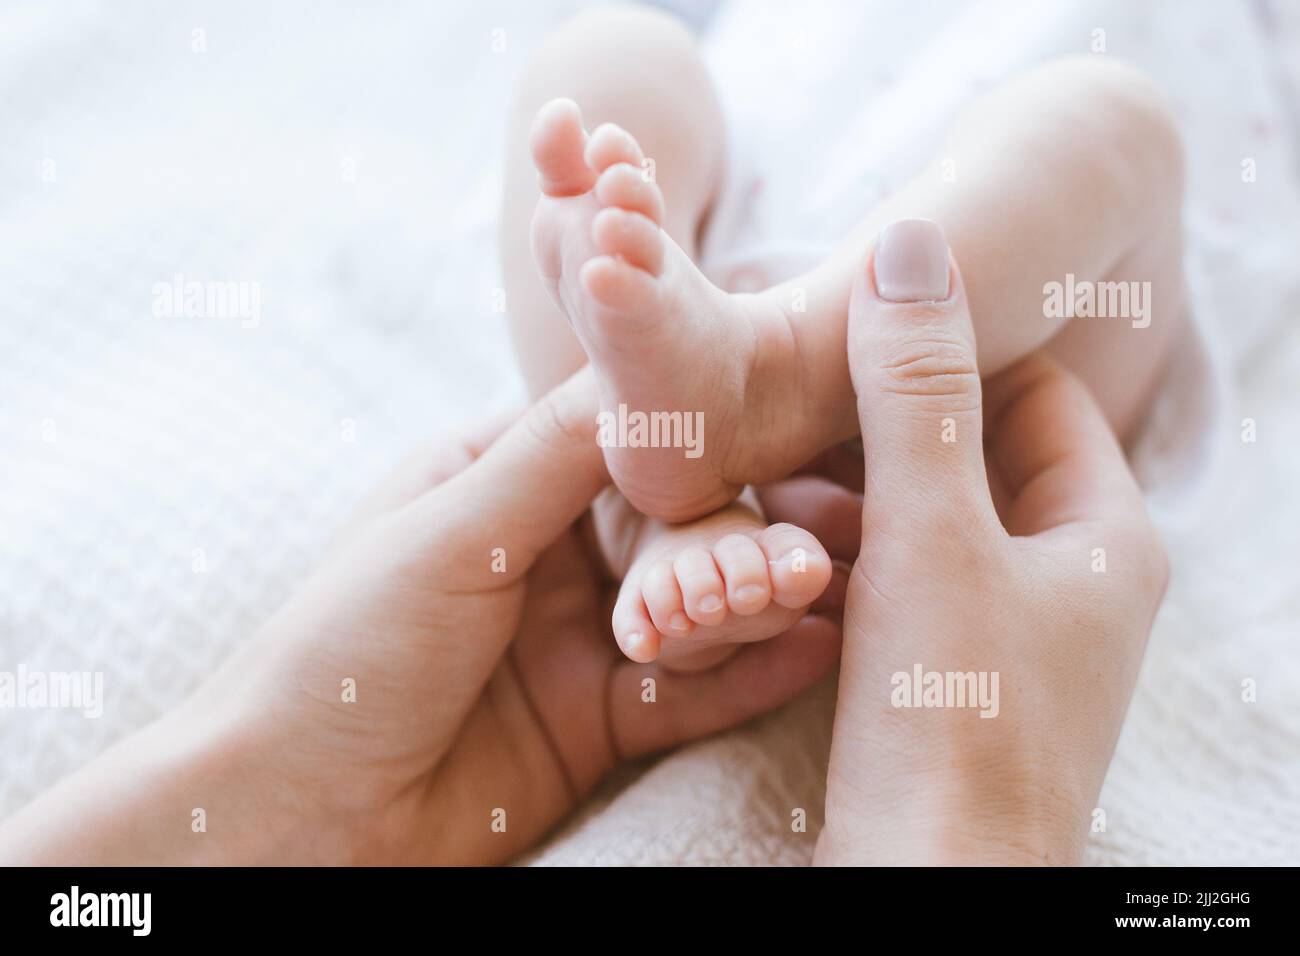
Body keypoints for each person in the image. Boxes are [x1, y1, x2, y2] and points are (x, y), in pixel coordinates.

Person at [0, 222, 1168, 865]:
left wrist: (267, 800)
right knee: (610, 71)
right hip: (760, 265)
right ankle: (717, 409)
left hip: (741, 288)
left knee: (607, 63)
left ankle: (673, 457)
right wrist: (971, 826)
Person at [500, 5, 1182, 668]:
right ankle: (642, 484)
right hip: (717, 222)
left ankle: (767, 383)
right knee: (614, 47)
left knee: (1119, 125)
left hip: (1003, 329)